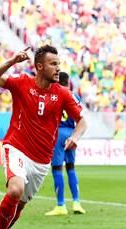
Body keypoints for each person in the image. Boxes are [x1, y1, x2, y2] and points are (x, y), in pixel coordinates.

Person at [0, 45, 87, 229]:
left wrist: (76, 137)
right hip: (16, 147)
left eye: (59, 64)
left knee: (18, 207)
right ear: (39, 67)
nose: (58, 68)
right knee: (15, 189)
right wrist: (12, 60)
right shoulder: (21, 82)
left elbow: (82, 121)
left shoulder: (62, 93)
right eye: (53, 64)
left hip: (41, 160)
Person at [45, 72, 85, 216]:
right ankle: (76, 202)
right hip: (71, 132)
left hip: (57, 133)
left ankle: (61, 205)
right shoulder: (75, 96)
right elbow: (80, 115)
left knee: (57, 169)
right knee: (71, 168)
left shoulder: (54, 94)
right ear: (68, 82)